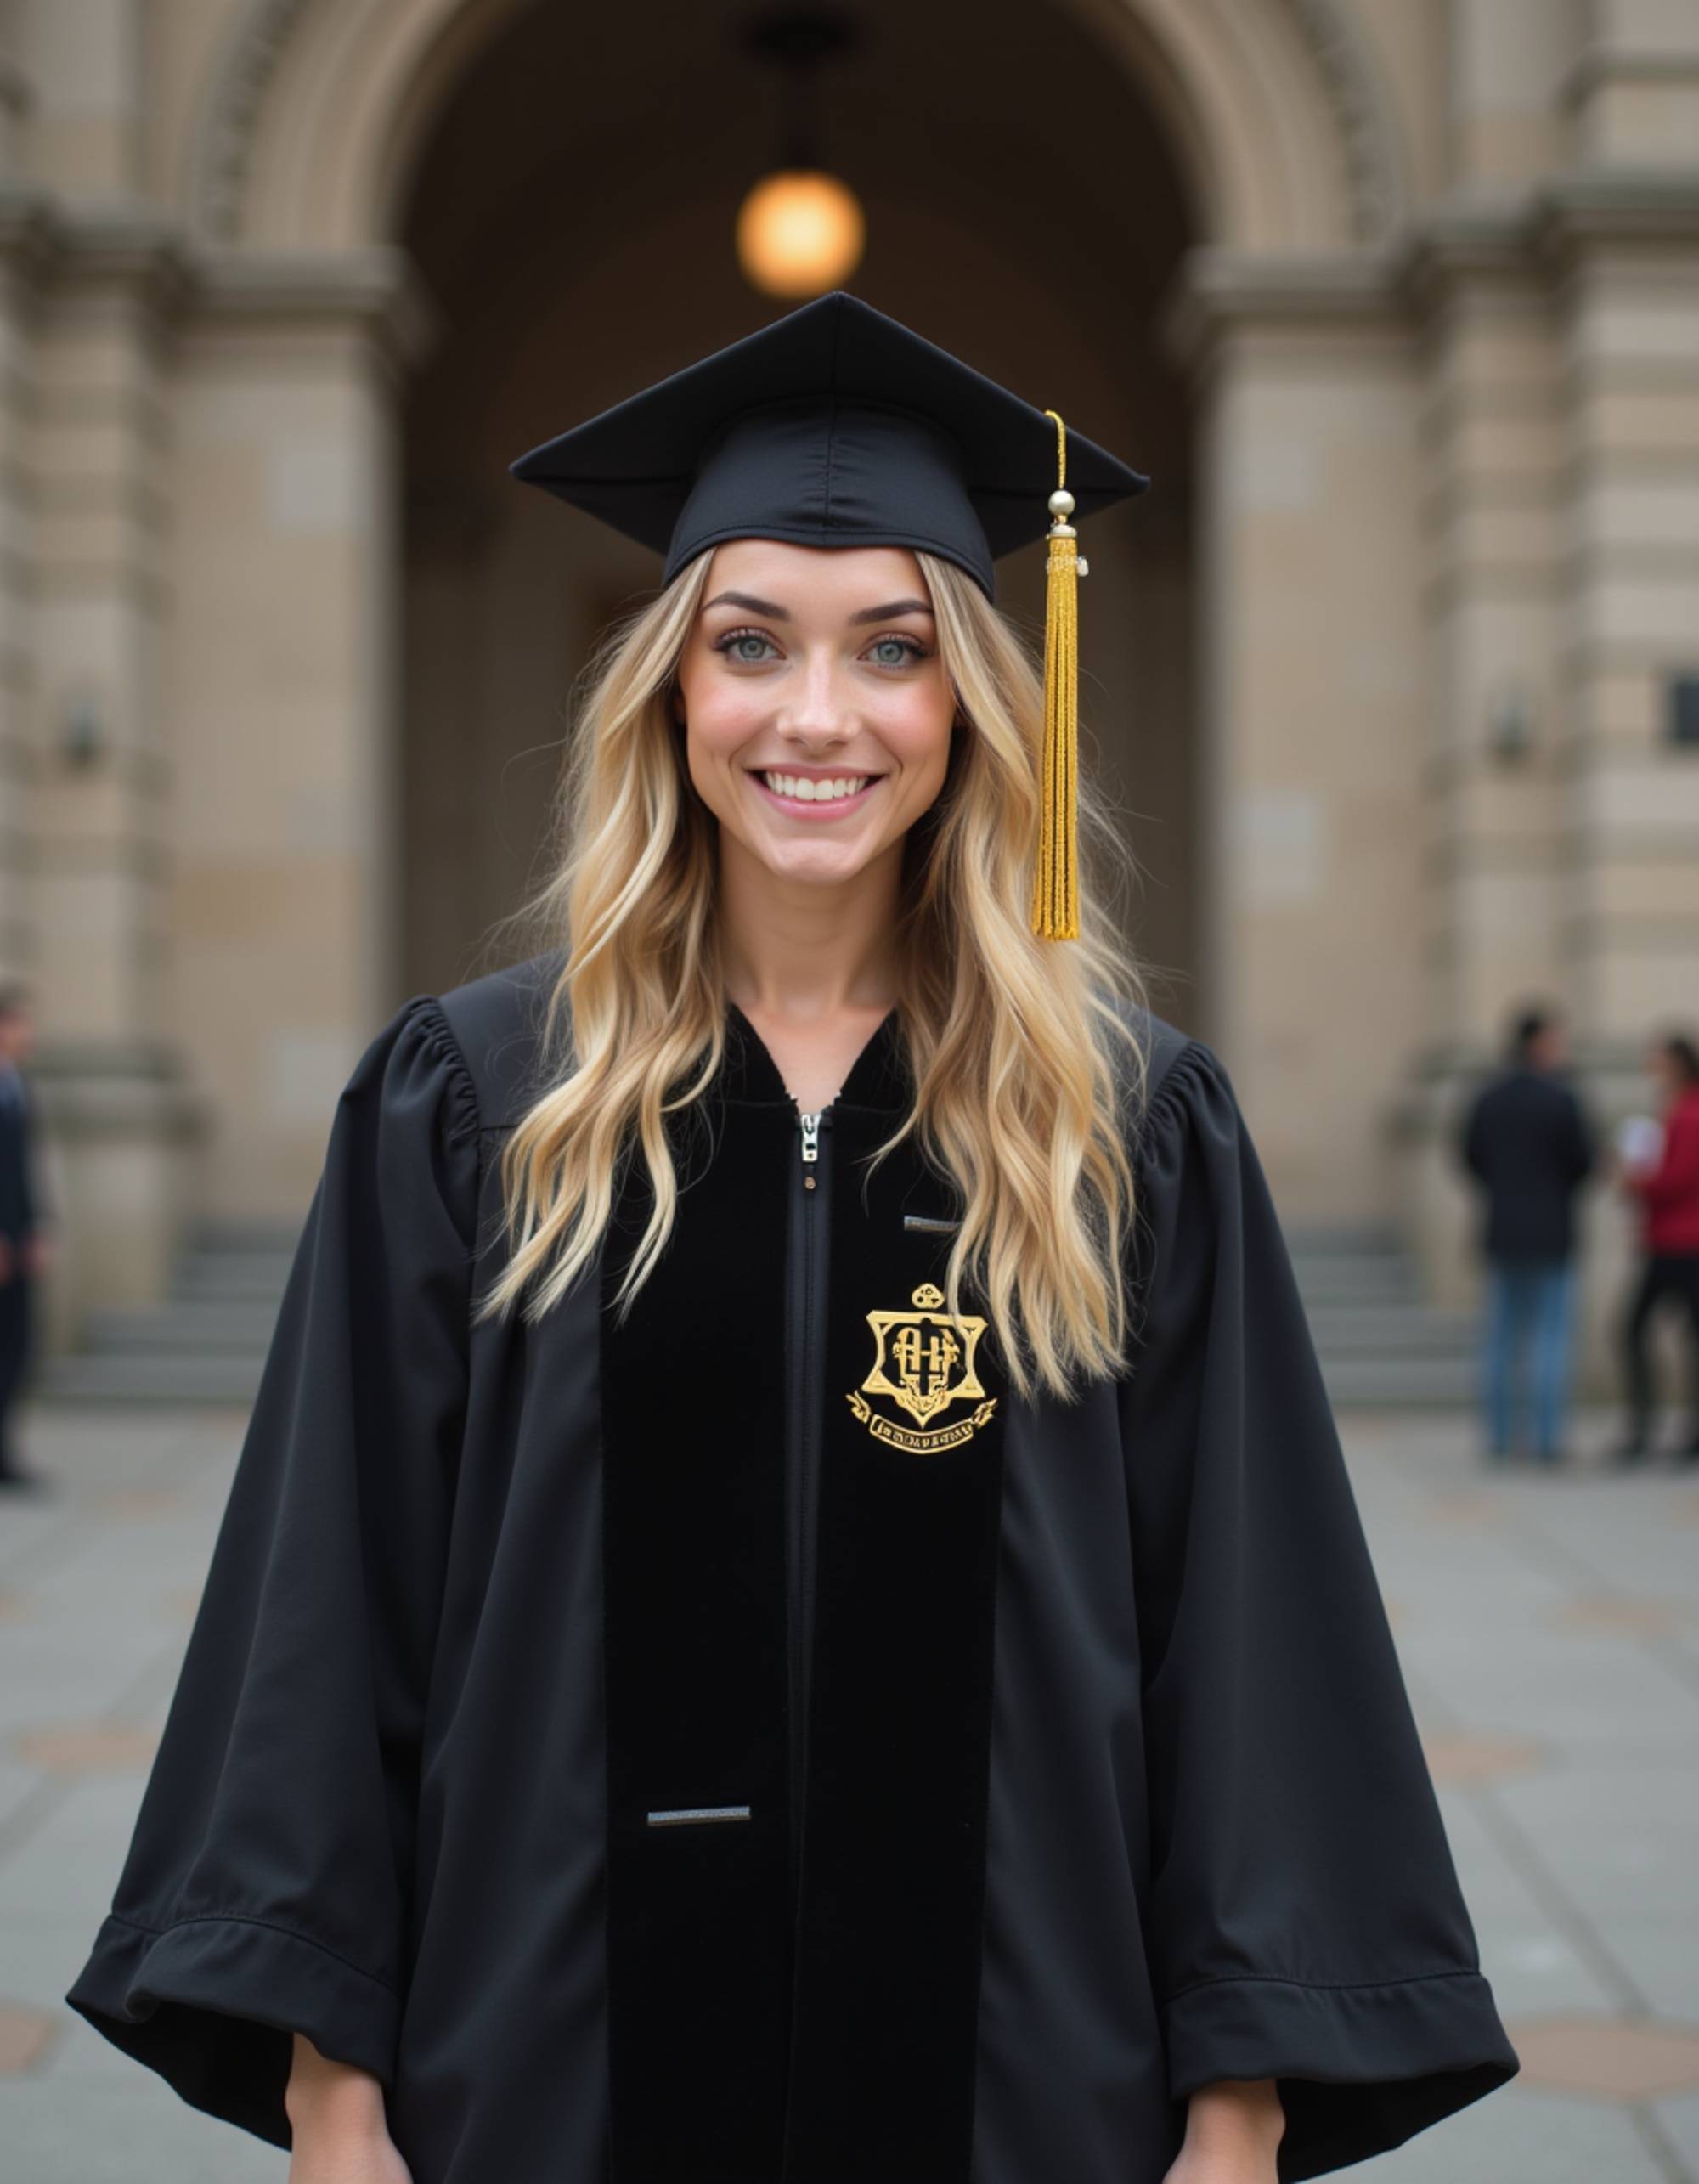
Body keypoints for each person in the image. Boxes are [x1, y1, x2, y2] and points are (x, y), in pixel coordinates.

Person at [65, 292, 1517, 2184]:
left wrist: (1231, 2120)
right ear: (667, 689)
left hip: (1018, 2088)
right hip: (555, 2075)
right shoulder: (483, 1102)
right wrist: (336, 2096)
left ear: (973, 701)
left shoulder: (1119, 1121)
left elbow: (1240, 1641)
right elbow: (335, 1610)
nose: (815, 715)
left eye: (891, 650)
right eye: (748, 643)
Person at [1458, 1003, 1596, 1465]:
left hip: (1502, 1227)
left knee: (1500, 1338)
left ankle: (1499, 1436)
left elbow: (1470, 1155)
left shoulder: (1488, 1096)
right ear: (1538, 1043)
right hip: (1552, 1230)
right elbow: (1583, 1162)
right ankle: (1545, 1439)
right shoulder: (1562, 1097)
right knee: (1550, 1338)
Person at [1606, 1028, 1699, 1464]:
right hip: (1670, 1241)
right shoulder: (1674, 1111)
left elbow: (1676, 1179)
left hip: (1681, 1243)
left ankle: (1648, 1428)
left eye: (1658, 1061)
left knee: (1634, 1330)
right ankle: (1655, 1428)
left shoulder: (1689, 1114)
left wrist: (1633, 1180)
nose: (1651, 1071)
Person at [0, 979, 53, 1492]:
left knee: (20, 1347)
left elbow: (26, 1171)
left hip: (19, 1241)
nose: (28, 1033)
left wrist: (37, 1229)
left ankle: (6, 1451)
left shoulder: (19, 1085)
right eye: (19, 1023)